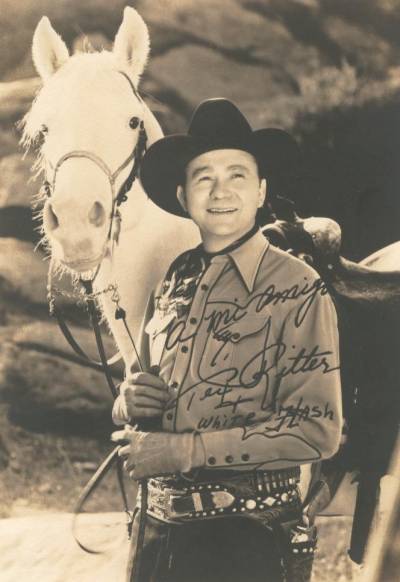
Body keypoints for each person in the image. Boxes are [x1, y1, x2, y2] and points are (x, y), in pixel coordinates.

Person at [112, 98, 342, 582]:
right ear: (183, 197)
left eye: (237, 175)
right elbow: (146, 386)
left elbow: (316, 430)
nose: (221, 191)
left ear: (261, 191)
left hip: (245, 543)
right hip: (155, 536)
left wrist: (185, 451)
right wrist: (127, 400)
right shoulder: (174, 278)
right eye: (204, 178)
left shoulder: (298, 287)